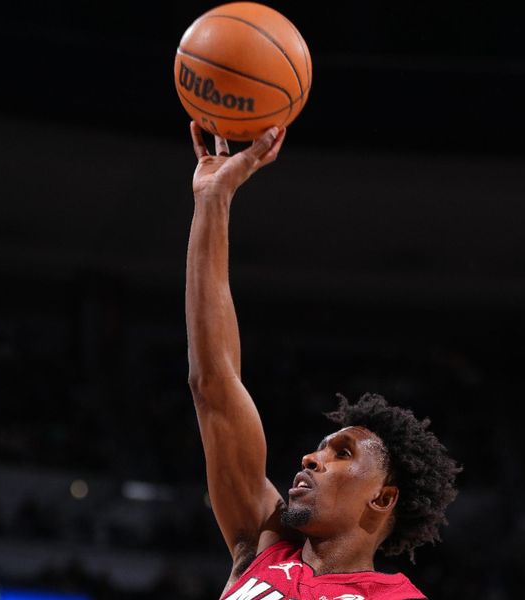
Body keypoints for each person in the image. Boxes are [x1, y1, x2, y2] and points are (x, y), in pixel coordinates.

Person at [186, 122, 461, 600]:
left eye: (342, 454)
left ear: (382, 497)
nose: (311, 458)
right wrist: (214, 200)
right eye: (323, 448)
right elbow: (213, 383)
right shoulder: (263, 544)